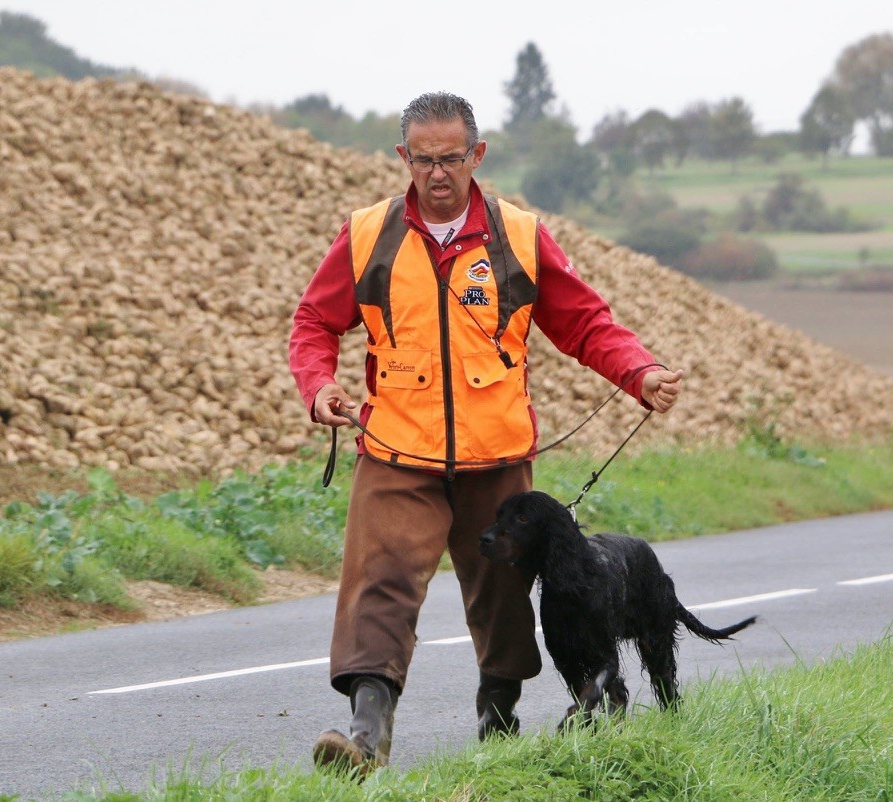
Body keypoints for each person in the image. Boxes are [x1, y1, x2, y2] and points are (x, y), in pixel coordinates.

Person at [288, 91, 682, 772]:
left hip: (496, 459)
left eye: (451, 159)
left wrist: (638, 373)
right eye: (422, 159)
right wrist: (318, 384)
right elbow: (314, 323)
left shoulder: (520, 237)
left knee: (502, 606)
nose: (437, 174)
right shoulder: (366, 235)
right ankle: (364, 736)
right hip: (394, 449)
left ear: (478, 155)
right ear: (402, 156)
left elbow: (584, 322)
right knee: (378, 585)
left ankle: (496, 733)